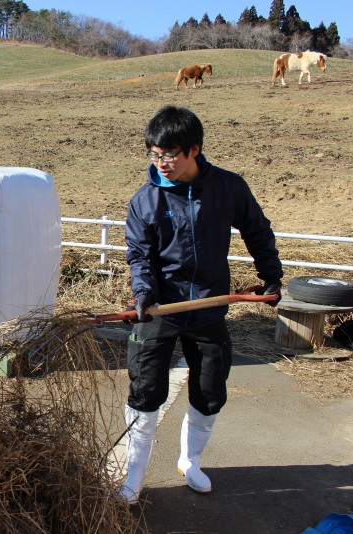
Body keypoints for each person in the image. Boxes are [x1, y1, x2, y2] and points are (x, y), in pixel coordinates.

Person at [119, 105, 283, 505]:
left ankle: (190, 462)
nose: (161, 164)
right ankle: (133, 475)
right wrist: (143, 293)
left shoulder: (228, 188)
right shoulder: (145, 200)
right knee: (145, 389)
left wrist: (271, 274)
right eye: (154, 154)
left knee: (210, 389)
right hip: (159, 308)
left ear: (194, 150)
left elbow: (257, 230)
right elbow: (139, 255)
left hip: (209, 304)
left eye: (168, 155)